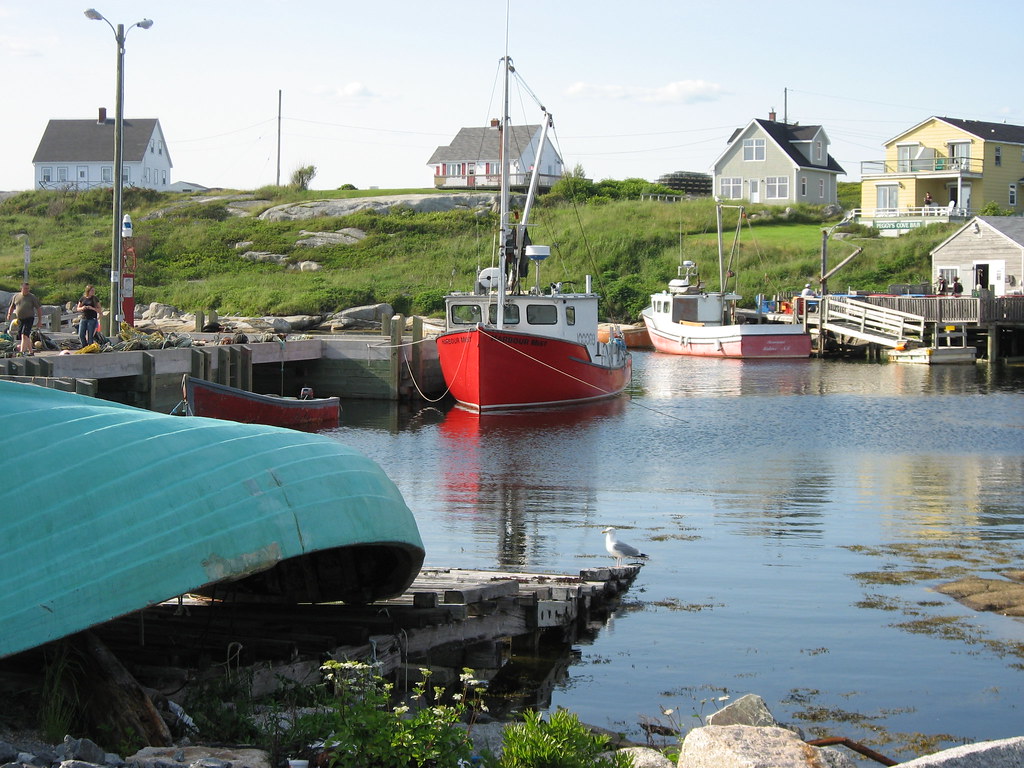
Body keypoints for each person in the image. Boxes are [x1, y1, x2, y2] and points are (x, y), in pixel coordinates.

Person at [6, 282, 43, 356]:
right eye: (25, 288)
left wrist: (39, 321)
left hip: (29, 318)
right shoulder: (16, 296)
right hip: (20, 319)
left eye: (28, 288)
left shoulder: (32, 297)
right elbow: (12, 306)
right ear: (21, 288)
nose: (27, 290)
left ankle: (22, 352)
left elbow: (38, 309)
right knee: (23, 335)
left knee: (24, 335)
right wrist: (9, 314)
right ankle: (31, 352)